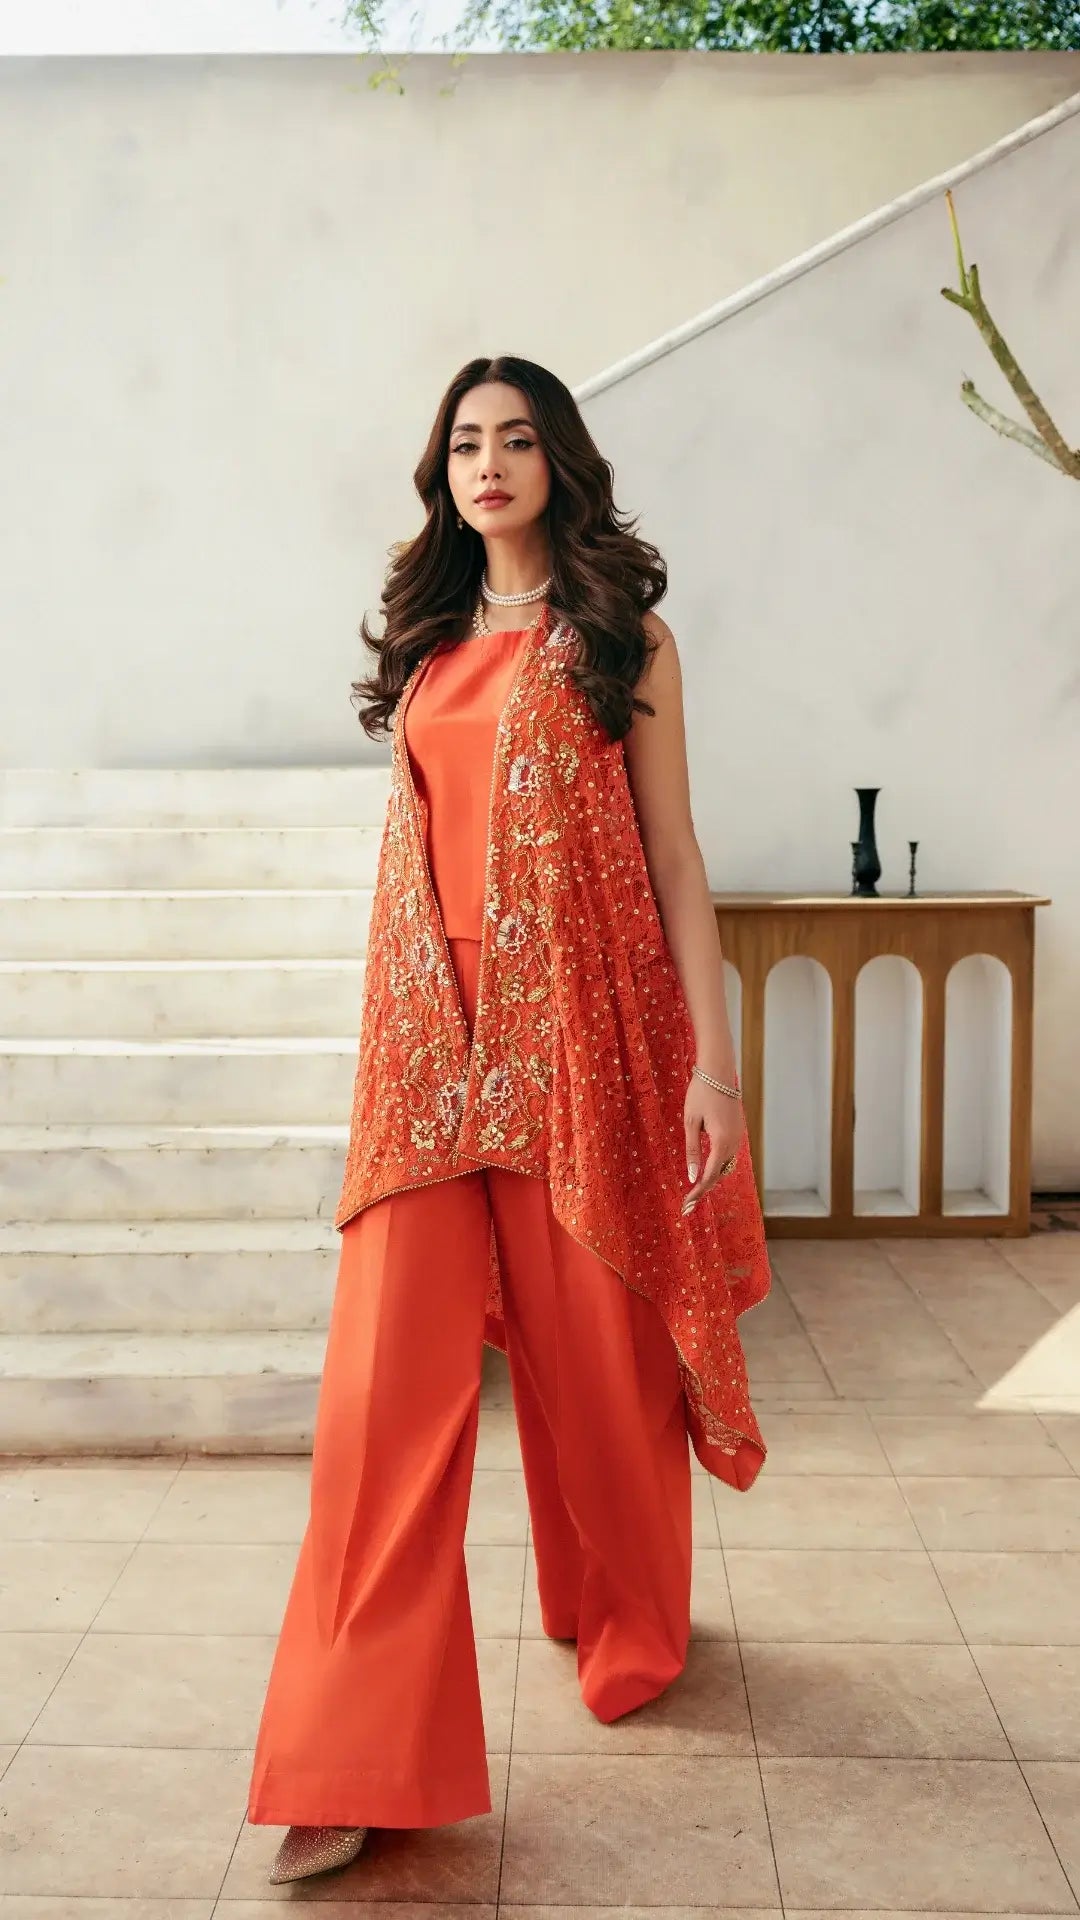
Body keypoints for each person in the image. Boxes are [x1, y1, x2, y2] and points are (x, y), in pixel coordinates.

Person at [246, 354, 771, 1886]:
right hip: (429, 1054)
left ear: (558, 463)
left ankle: (628, 1609)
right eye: (466, 442)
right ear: (444, 476)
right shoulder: (428, 644)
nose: (489, 463)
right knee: (376, 1414)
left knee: (601, 1368)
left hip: (576, 1046)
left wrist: (713, 1068)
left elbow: (676, 857)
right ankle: (351, 1764)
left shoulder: (622, 640)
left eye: (518, 439)